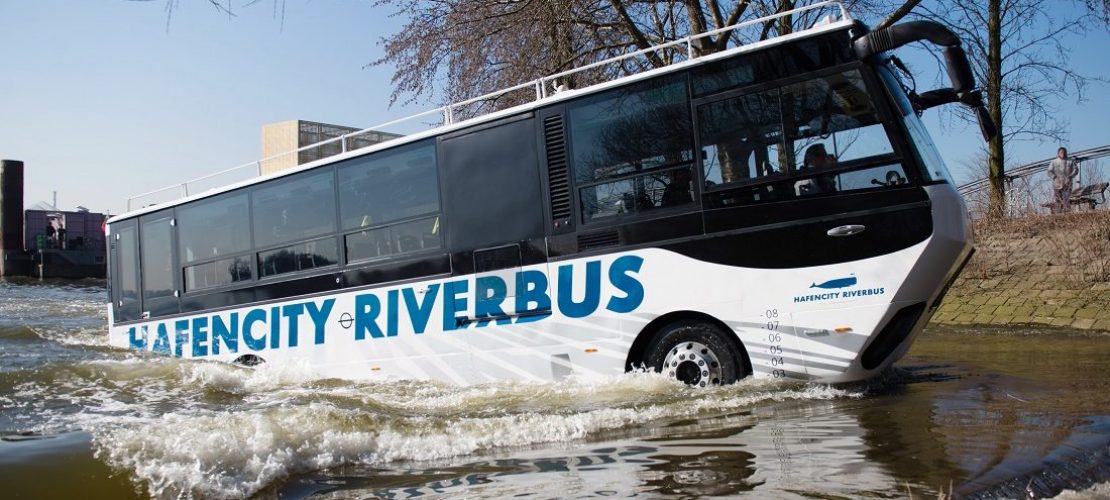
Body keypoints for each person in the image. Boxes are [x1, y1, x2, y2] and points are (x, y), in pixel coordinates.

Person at [1047, 147, 1079, 212]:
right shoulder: (1054, 162)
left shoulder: (1070, 161)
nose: (1063, 154)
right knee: (1058, 200)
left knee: (1066, 200)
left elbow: (1076, 169)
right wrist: (1054, 177)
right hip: (1057, 185)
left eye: (1064, 152)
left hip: (1067, 184)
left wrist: (1071, 176)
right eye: (1061, 152)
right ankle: (1058, 214)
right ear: (1058, 153)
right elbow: (1049, 171)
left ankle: (1067, 213)